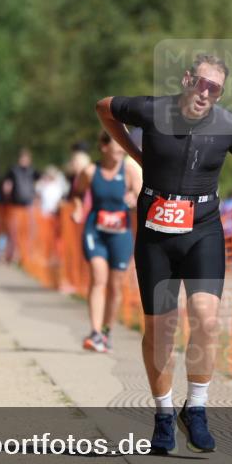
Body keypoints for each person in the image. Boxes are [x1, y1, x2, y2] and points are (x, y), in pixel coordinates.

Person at [96, 53, 232, 455]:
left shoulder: (230, 125)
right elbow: (104, 108)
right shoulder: (151, 109)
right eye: (202, 83)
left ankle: (196, 410)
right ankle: (162, 416)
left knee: (206, 321)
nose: (206, 93)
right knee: (160, 330)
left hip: (203, 230)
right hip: (156, 235)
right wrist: (133, 151)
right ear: (187, 79)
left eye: (216, 89)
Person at [71, 131, 142, 353]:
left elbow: (143, 197)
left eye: (124, 144)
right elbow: (76, 192)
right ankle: (94, 333)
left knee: (115, 285)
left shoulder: (129, 171)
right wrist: (78, 208)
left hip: (120, 235)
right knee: (98, 278)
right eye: (117, 143)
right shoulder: (90, 172)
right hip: (96, 232)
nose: (122, 148)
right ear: (103, 146)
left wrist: (133, 199)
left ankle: (106, 331)